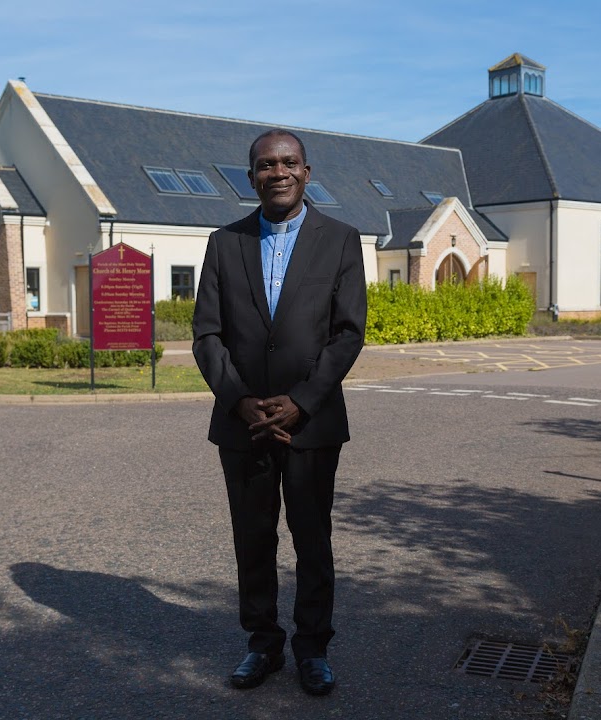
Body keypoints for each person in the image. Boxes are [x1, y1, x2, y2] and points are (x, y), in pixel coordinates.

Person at [192, 129, 367, 696]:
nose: (279, 172)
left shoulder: (340, 240)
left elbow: (347, 333)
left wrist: (302, 401)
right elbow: (207, 335)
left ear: (307, 172)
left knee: (312, 537)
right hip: (241, 423)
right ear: (251, 178)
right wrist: (240, 401)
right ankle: (262, 644)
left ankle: (312, 648)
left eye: (289, 162)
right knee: (253, 538)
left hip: (310, 424)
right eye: (266, 164)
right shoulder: (225, 242)